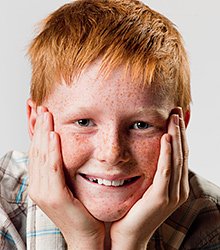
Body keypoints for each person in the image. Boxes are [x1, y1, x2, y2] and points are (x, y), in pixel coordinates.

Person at [0, 0, 219, 249]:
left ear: (178, 128)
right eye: (83, 122)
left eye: (140, 125)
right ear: (35, 122)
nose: (112, 153)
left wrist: (131, 243)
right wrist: (85, 242)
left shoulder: (209, 221)